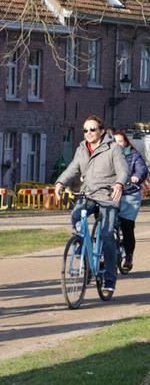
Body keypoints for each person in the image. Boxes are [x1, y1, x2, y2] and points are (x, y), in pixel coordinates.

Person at [54, 115, 127, 294]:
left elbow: (123, 169)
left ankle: (109, 280)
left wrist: (119, 183)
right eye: (85, 130)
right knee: (76, 215)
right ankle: (81, 240)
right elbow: (73, 168)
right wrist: (60, 183)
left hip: (108, 197)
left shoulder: (113, 148)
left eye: (92, 129)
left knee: (107, 235)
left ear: (101, 131)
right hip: (88, 194)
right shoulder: (81, 149)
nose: (89, 133)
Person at [110, 130, 148, 272]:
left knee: (126, 225)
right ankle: (103, 255)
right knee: (104, 224)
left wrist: (137, 176)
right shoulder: (109, 155)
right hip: (112, 193)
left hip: (129, 193)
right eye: (115, 141)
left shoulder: (133, 155)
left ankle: (129, 256)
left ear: (126, 142)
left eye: (120, 141)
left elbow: (142, 169)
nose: (118, 144)